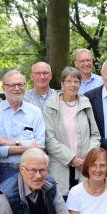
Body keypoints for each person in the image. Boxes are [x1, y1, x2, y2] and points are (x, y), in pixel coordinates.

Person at [43, 67, 100, 196]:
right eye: (69, 81)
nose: (73, 85)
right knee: (62, 203)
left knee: (83, 202)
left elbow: (95, 135)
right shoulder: (51, 106)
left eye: (76, 81)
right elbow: (49, 139)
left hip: (84, 165)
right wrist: (72, 159)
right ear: (62, 84)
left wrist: (88, 157)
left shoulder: (85, 103)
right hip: (60, 166)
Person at [0, 70, 46, 183]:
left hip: (32, 170)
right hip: (3, 171)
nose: (17, 88)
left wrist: (9, 142)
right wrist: (30, 146)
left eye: (20, 84)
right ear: (4, 88)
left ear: (25, 86)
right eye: (12, 85)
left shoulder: (35, 112)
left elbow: (40, 146)